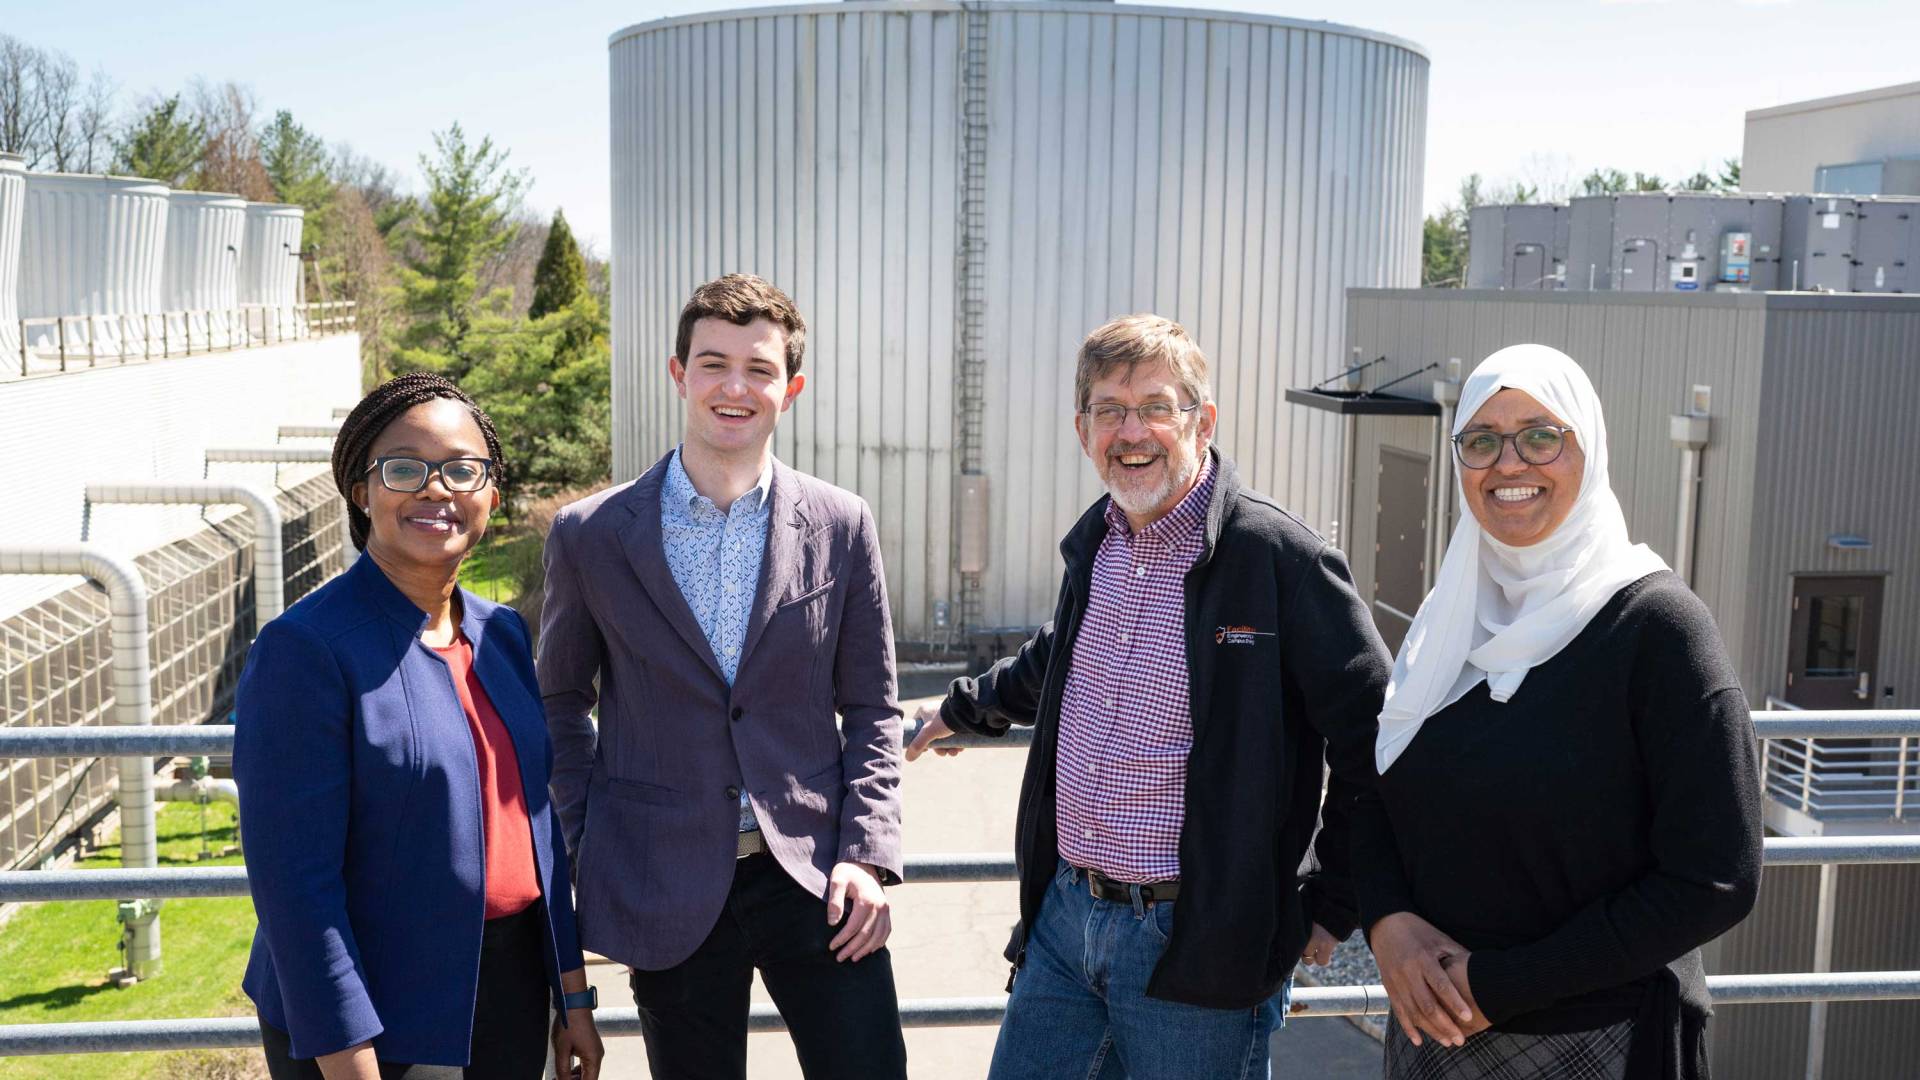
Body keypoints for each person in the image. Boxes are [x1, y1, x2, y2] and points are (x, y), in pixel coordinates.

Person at [906, 314, 1388, 1079]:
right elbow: (1054, 661)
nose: (1133, 432)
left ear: (1203, 421)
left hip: (1198, 940)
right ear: (1082, 427)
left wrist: (1334, 900)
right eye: (1110, 410)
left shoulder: (1277, 560)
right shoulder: (1098, 542)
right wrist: (957, 711)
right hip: (1066, 921)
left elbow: (1375, 736)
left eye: (1158, 407)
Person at [538, 274, 908, 1080]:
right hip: (663, 879)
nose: (735, 387)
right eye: (713, 364)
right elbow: (560, 702)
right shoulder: (591, 535)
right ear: (678, 374)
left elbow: (876, 707)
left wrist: (867, 854)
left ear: (791, 388)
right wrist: (587, 833)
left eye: (759, 369)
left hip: (818, 877)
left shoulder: (842, 524)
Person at [1358, 344, 1762, 1080]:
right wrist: (1387, 922)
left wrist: (1501, 986)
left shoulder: (1658, 630)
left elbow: (1716, 877)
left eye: (1542, 435)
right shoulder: (1450, 619)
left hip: (1600, 1040)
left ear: (1591, 448)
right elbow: (1379, 794)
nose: (1509, 463)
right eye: (1481, 441)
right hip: (1435, 1042)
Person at [234, 373, 603, 1080]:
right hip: (375, 1015)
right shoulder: (305, 649)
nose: (437, 489)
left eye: (463, 469)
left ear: (493, 493)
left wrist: (573, 995)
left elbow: (538, 829)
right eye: (404, 468)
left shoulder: (501, 634)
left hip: (510, 993)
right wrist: (347, 1054)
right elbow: (293, 885)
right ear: (361, 490)